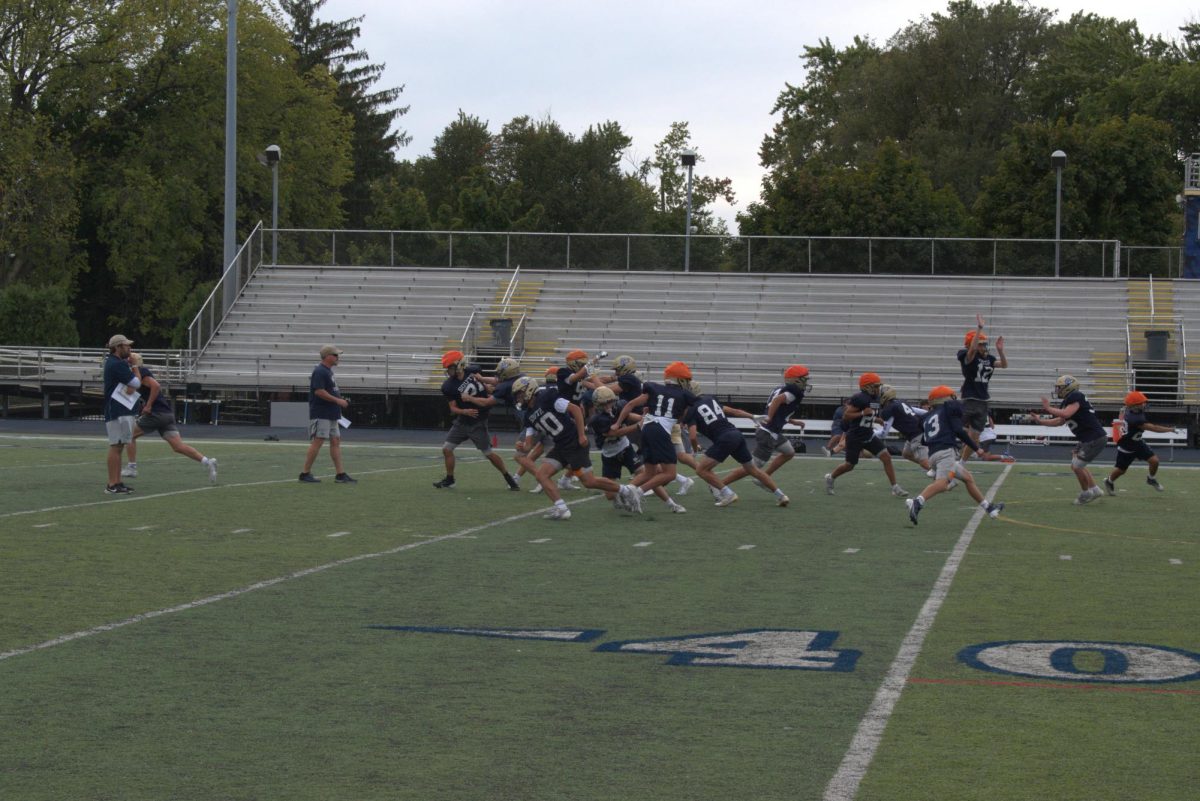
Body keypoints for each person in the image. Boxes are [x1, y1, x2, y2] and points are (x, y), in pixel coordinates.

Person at [511, 376, 628, 520]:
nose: (519, 397)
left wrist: (581, 435)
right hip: (560, 446)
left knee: (589, 482)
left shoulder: (547, 396)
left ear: (529, 390)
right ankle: (561, 509)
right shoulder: (528, 415)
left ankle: (626, 490)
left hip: (573, 443)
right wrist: (521, 446)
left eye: (520, 393)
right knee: (542, 475)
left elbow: (575, 410)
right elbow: (528, 446)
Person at [905, 386, 1005, 525]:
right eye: (951, 397)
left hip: (933, 454)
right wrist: (976, 448)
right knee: (942, 483)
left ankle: (989, 508)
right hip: (945, 452)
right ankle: (917, 502)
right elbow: (959, 431)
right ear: (945, 398)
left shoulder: (927, 417)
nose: (954, 399)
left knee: (968, 478)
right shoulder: (948, 408)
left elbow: (923, 439)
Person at [684, 386, 790, 508]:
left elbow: (692, 436)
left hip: (724, 439)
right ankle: (781, 495)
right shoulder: (710, 399)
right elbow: (734, 411)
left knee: (701, 470)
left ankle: (727, 493)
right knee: (753, 469)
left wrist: (695, 449)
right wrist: (752, 416)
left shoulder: (691, 410)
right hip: (736, 434)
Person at [123, 353, 217, 483]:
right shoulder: (139, 374)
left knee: (129, 435)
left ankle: (132, 467)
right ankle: (207, 461)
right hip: (166, 414)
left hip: (156, 413)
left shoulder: (142, 372)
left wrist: (149, 405)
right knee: (178, 446)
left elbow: (156, 386)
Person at [588, 386, 685, 512]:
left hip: (625, 448)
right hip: (609, 455)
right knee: (610, 495)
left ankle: (671, 504)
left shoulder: (618, 407)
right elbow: (614, 433)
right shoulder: (597, 419)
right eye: (604, 404)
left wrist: (646, 419)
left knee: (648, 475)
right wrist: (639, 426)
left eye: (609, 402)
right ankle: (624, 491)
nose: (608, 406)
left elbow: (629, 415)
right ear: (597, 404)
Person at [613, 361, 699, 502]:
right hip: (660, 430)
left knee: (649, 471)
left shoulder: (654, 388)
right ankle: (638, 493)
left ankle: (626, 491)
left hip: (647, 428)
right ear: (679, 379)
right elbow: (694, 410)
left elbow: (631, 404)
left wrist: (617, 423)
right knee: (669, 473)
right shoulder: (684, 394)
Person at [433, 349, 519, 490]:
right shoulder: (448, 386)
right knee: (447, 449)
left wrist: (486, 387)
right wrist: (464, 411)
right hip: (462, 422)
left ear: (459, 365)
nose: (448, 371)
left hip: (478, 422)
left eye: (450, 368)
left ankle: (508, 478)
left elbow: (482, 383)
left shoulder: (472, 370)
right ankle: (450, 479)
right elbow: (453, 409)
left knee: (488, 453)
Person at [722, 364, 808, 493]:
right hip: (768, 433)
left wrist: (792, 421)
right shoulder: (792, 392)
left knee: (789, 452)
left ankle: (763, 479)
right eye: (804, 379)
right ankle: (719, 485)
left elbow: (779, 409)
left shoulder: (782, 388)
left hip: (772, 431)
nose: (806, 382)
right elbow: (776, 402)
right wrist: (769, 417)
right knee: (752, 467)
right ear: (795, 379)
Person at [825, 372, 907, 497]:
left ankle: (895, 487)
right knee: (849, 465)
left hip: (868, 434)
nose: (877, 388)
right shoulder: (860, 398)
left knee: (886, 458)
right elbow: (846, 415)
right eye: (875, 386)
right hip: (855, 436)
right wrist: (862, 413)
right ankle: (831, 477)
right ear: (867, 387)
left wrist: (875, 418)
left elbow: (869, 414)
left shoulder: (876, 398)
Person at [1032, 374, 1107, 505]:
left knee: (1078, 466)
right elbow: (1060, 420)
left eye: (1059, 387)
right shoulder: (1069, 400)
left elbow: (1066, 414)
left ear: (1068, 387)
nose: (1057, 390)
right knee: (1076, 463)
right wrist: (1041, 421)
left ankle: (1086, 493)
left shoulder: (1075, 396)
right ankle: (1095, 490)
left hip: (1094, 438)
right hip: (1087, 439)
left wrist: (1049, 408)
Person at [299, 344, 356, 484]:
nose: (338, 358)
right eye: (335, 355)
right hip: (321, 412)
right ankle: (305, 473)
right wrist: (338, 400)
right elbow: (319, 391)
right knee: (318, 440)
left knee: (335, 441)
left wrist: (339, 401)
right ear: (328, 356)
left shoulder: (328, 371)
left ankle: (340, 474)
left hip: (331, 413)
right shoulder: (320, 371)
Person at [958, 314, 1008, 461]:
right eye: (981, 343)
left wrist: (1000, 350)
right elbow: (972, 350)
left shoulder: (989, 358)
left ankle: (961, 464)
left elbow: (1004, 365)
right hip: (969, 399)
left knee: (974, 439)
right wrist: (979, 328)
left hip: (982, 401)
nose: (984, 345)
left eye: (984, 343)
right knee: (953, 427)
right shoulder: (966, 354)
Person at [1104, 390, 1173, 495]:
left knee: (1154, 461)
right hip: (1127, 447)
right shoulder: (1135, 419)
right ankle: (1109, 481)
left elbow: (1123, 412)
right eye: (1141, 403)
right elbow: (1154, 428)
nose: (1144, 404)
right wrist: (1170, 429)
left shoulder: (1130, 410)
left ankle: (1151, 478)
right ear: (1135, 405)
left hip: (1137, 442)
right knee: (1121, 470)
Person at [102, 334, 142, 494]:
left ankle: (117, 482)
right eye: (126, 346)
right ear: (117, 347)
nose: (129, 348)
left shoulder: (117, 363)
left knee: (119, 446)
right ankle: (112, 484)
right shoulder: (116, 364)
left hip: (121, 409)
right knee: (116, 446)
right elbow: (136, 383)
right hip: (117, 410)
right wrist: (135, 366)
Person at [877, 384, 930, 472]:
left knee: (924, 462)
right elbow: (920, 411)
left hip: (916, 434)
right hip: (916, 432)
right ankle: (932, 468)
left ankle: (943, 476)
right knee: (907, 454)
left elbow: (883, 434)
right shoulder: (900, 402)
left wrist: (871, 432)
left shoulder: (889, 409)